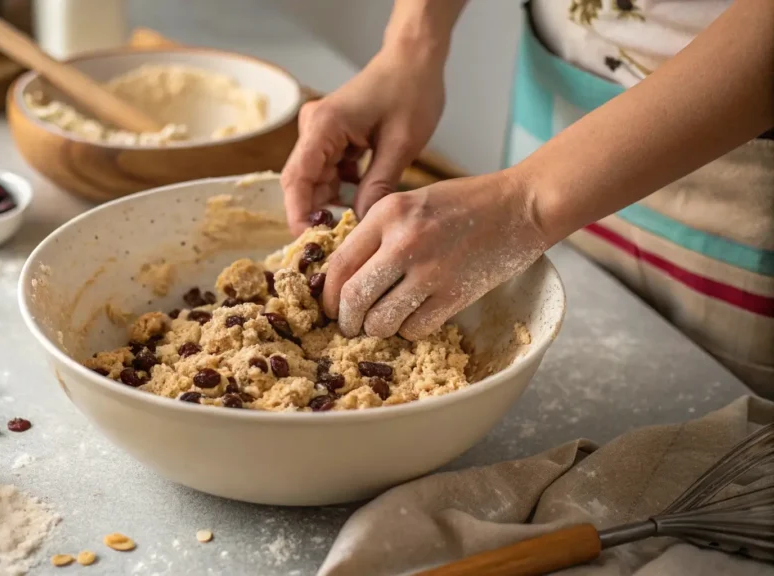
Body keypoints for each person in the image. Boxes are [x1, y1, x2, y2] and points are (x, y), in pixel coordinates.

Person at [280, 0, 774, 396]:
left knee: (708, 407)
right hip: (561, 92)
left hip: (734, 148)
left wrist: (525, 203)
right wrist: (412, 45)